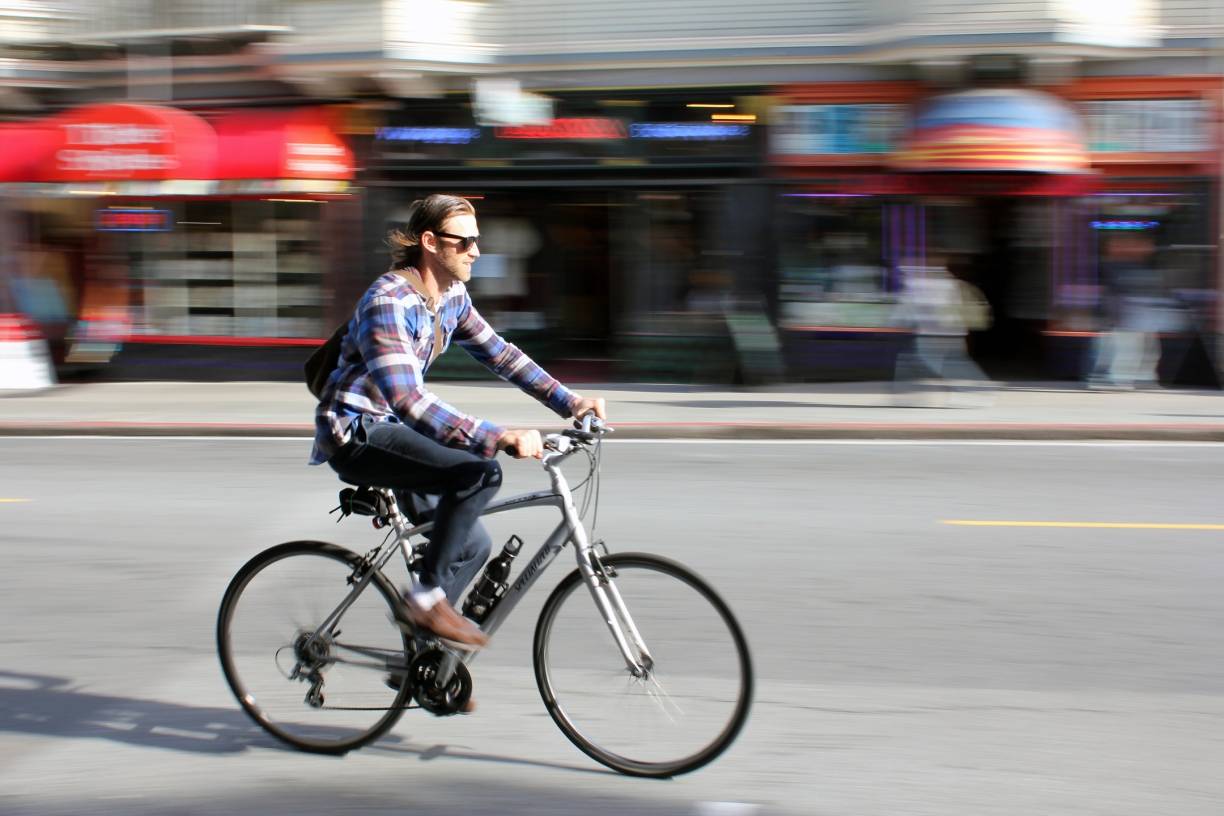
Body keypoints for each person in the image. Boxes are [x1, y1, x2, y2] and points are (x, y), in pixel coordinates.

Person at [310, 194, 606, 655]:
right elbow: (407, 400)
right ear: (430, 242)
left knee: (470, 545)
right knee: (478, 473)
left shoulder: (450, 298)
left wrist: (571, 402)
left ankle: (430, 662)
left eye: (477, 240)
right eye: (464, 241)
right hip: (356, 432)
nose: (476, 251)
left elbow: (501, 355)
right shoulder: (388, 302)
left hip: (394, 431)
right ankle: (424, 600)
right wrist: (497, 436)